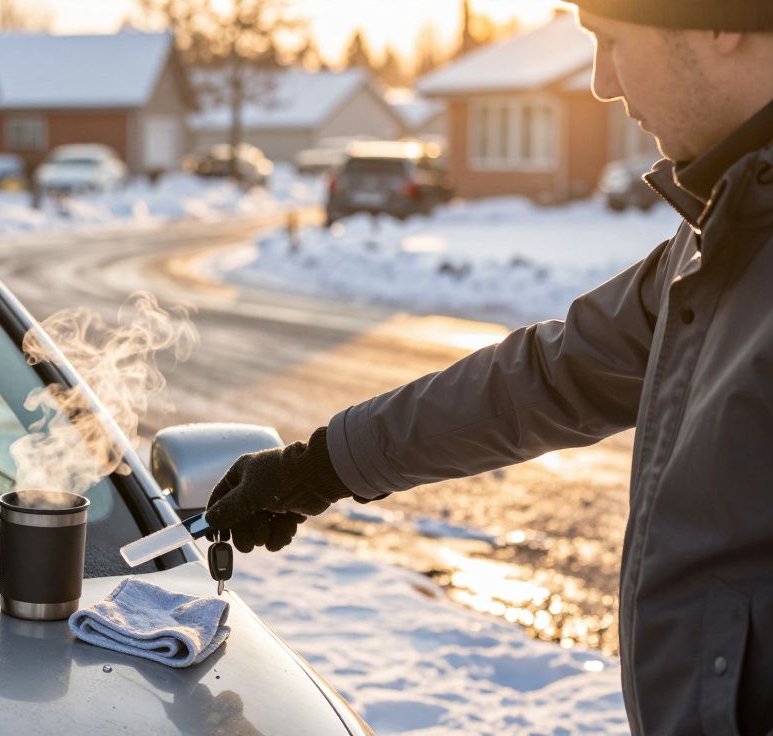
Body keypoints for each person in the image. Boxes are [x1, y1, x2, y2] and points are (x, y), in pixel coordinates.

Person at [204, 2, 773, 734]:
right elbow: (545, 378)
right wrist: (321, 467)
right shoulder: (719, 237)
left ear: (717, 24)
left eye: (611, 42)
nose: (601, 82)